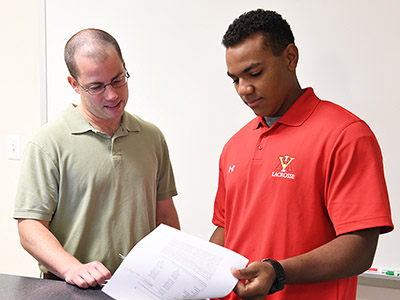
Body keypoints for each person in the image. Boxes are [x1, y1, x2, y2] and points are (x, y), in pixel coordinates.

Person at [210, 9, 393, 300]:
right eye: (235, 79)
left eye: (254, 73)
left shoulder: (346, 135)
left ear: (291, 57)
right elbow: (225, 228)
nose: (244, 89)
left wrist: (278, 271)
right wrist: (197, 272)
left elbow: (360, 248)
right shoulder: (235, 145)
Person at [13, 28, 180, 289]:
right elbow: (30, 227)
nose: (112, 95)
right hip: (70, 288)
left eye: (117, 79)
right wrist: (72, 268)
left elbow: (165, 214)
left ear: (124, 67)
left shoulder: (151, 137)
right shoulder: (48, 142)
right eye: (96, 87)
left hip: (141, 288)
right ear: (74, 84)